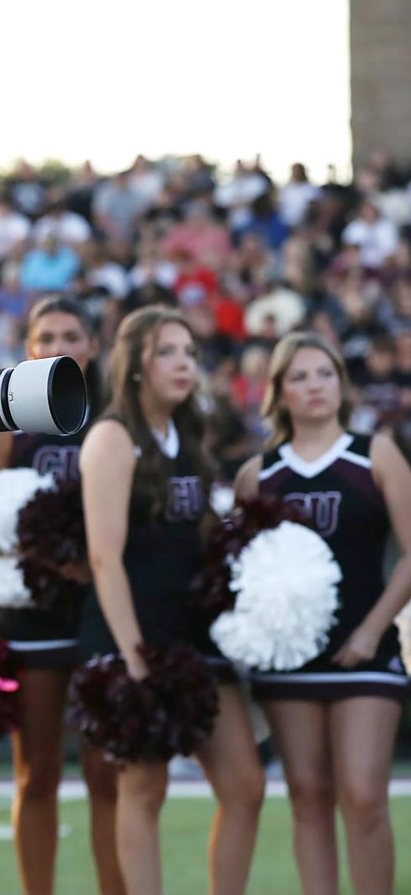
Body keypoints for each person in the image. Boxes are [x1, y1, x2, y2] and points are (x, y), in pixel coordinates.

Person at [78, 305, 264, 895]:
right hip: (137, 636)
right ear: (135, 366)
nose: (184, 363)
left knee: (245, 786)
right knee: (144, 788)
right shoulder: (112, 436)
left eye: (189, 351)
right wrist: (135, 659)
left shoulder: (189, 435)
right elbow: (104, 556)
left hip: (197, 636)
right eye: (167, 352)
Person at [234, 332, 411, 895]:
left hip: (365, 653)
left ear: (342, 383)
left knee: (362, 794)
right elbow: (240, 572)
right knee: (307, 796)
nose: (315, 386)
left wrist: (370, 630)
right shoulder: (257, 475)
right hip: (289, 664)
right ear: (280, 392)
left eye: (325, 374)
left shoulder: (374, 452)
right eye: (301, 376)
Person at [0, 295, 124, 895]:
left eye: (72, 335)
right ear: (30, 349)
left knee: (104, 771)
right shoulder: (10, 422)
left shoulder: (113, 420)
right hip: (32, 613)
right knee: (36, 773)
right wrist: (52, 561)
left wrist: (94, 564)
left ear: (91, 348)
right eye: (47, 337)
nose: (60, 346)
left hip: (98, 610)